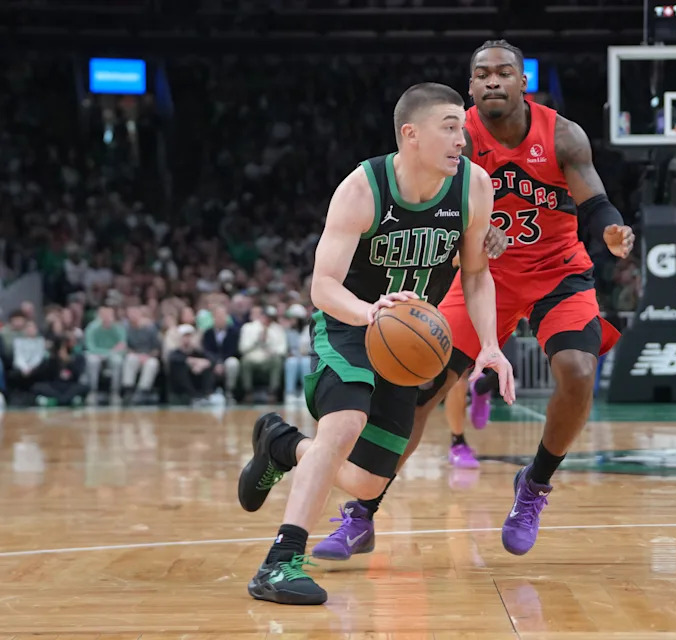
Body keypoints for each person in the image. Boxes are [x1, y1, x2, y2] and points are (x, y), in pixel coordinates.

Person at [310, 39, 635, 560]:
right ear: (469, 87)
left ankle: (533, 486)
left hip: (557, 273)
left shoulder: (563, 135)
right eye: (481, 74)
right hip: (481, 276)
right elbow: (420, 192)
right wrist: (475, 235)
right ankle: (362, 512)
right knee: (417, 391)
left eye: (504, 72)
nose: (492, 81)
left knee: (577, 370)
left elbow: (593, 200)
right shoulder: (452, 132)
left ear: (523, 81)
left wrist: (613, 229)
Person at [237, 82, 515, 605]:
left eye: (464, 127)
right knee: (343, 425)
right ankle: (279, 562)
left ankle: (280, 444)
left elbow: (476, 277)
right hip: (350, 322)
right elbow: (322, 286)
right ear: (411, 135)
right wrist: (370, 313)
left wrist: (490, 345)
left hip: (405, 342)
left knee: (366, 484)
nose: (463, 138)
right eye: (450, 127)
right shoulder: (363, 188)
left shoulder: (474, 187)